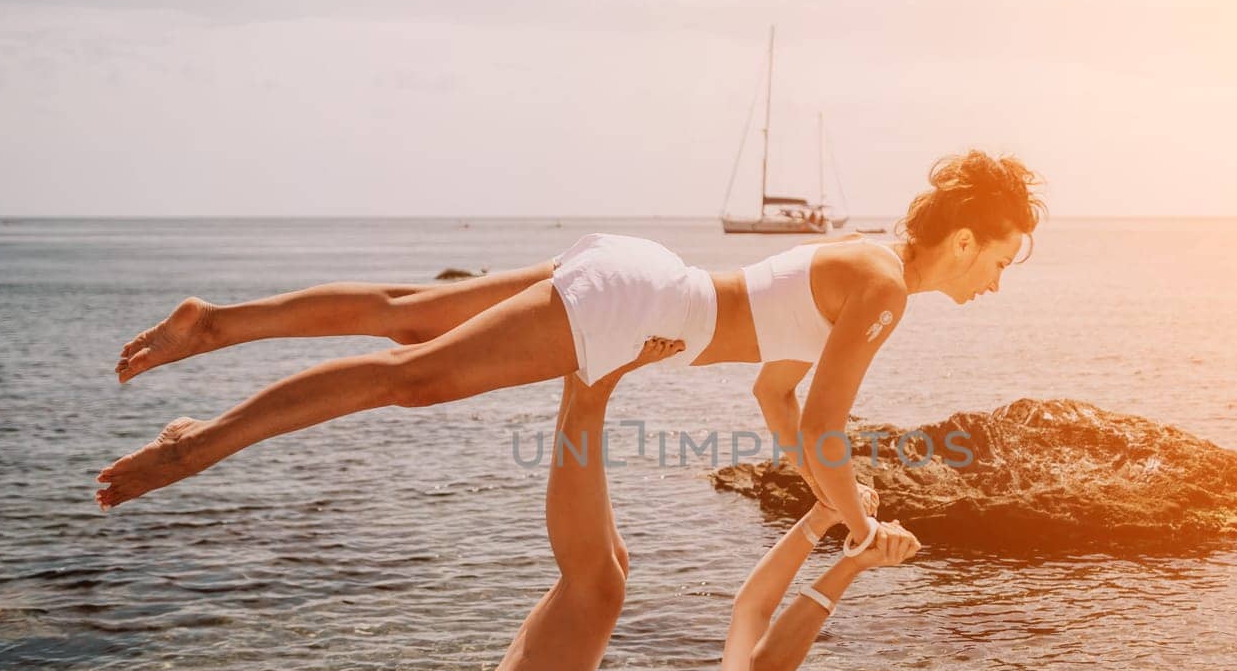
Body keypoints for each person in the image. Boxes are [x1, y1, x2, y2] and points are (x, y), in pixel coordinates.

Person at [96, 149, 1044, 553]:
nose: (993, 283)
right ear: (965, 238)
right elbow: (829, 420)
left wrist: (836, 493)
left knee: (406, 311)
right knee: (413, 378)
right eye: (998, 259)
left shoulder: (867, 258)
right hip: (633, 304)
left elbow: (780, 403)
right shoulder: (884, 290)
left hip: (637, 270)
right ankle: (200, 444)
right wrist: (859, 523)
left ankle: (215, 321)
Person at [457, 338, 921, 671]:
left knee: (599, 589)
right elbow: (752, 608)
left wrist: (851, 564)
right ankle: (582, 370)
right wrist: (820, 518)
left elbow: (770, 667)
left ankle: (595, 385)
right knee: (613, 562)